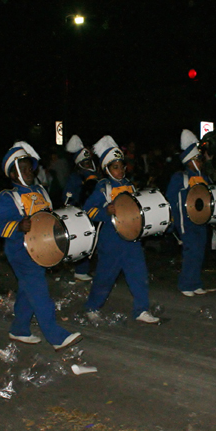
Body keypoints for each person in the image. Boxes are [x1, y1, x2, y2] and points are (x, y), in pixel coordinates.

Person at [0, 142, 81, 350]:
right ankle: (56, 336)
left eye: (29, 166)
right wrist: (18, 226)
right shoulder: (7, 197)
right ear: (13, 175)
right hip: (19, 252)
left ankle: (19, 329)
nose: (28, 171)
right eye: (22, 168)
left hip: (40, 250)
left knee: (27, 290)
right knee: (39, 291)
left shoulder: (40, 191)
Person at [81, 135, 159, 324]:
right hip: (111, 240)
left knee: (139, 275)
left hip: (131, 239)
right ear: (107, 169)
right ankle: (92, 306)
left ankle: (141, 309)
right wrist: (104, 211)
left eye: (122, 166)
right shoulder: (103, 187)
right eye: (115, 167)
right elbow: (87, 211)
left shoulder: (130, 186)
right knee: (105, 277)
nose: (120, 170)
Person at [166, 130, 214, 297]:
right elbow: (171, 199)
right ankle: (185, 283)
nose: (201, 162)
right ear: (190, 161)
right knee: (191, 252)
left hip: (200, 221)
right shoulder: (180, 177)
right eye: (198, 159)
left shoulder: (204, 177)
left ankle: (195, 282)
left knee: (199, 251)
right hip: (185, 221)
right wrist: (174, 222)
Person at [63, 135, 100, 281]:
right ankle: (80, 270)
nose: (88, 164)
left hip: (94, 213)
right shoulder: (75, 178)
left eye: (89, 161)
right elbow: (68, 198)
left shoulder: (94, 175)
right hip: (81, 215)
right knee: (85, 242)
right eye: (85, 162)